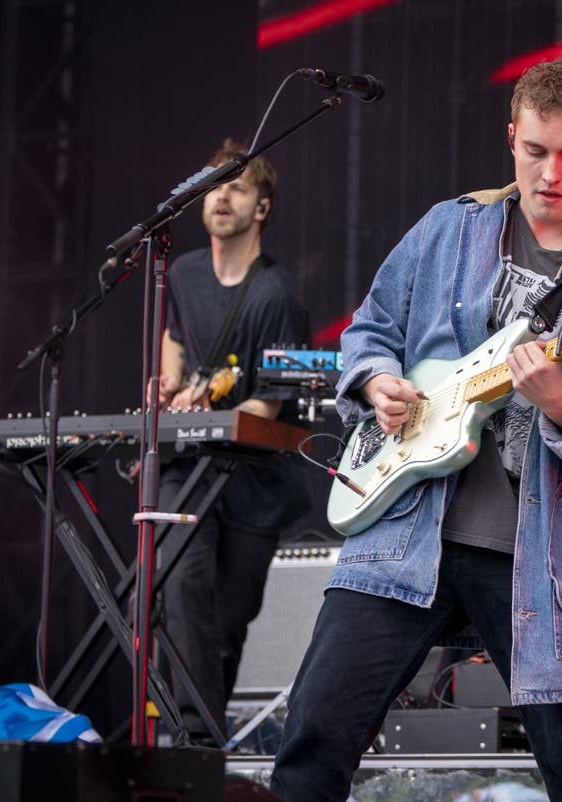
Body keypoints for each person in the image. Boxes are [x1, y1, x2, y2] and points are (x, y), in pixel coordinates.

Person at [271, 57, 562, 801]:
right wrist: (376, 383)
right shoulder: (447, 229)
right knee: (313, 734)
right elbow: (371, 331)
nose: (549, 172)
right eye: (534, 151)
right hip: (405, 534)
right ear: (510, 140)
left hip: (546, 562)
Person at [155, 139, 310, 746]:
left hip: (252, 482)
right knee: (178, 589)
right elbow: (173, 341)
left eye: (237, 186)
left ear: (262, 207)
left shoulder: (279, 295)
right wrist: (168, 386)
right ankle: (192, 742)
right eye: (214, 184)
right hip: (188, 467)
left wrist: (210, 405)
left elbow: (268, 405)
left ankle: (201, 742)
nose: (221, 195)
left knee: (225, 624)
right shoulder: (185, 272)